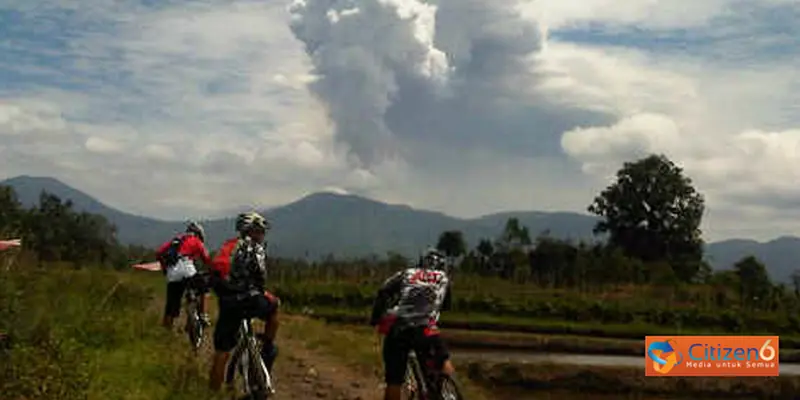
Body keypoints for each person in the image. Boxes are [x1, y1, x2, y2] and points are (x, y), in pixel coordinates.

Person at [208, 211, 280, 393]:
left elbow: (215, 275)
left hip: (228, 303)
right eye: (260, 231)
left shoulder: (227, 246)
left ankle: (212, 393)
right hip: (250, 300)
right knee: (274, 307)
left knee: (222, 351)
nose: (262, 235)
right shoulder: (255, 248)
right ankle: (268, 347)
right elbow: (261, 278)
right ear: (252, 231)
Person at [369, 247, 455, 400]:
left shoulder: (407, 274)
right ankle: (447, 387)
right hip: (427, 330)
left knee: (394, 380)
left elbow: (383, 291)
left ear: (421, 263)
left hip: (400, 329)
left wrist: (375, 319)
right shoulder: (444, 278)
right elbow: (446, 306)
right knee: (442, 362)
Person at [155, 221, 212, 328]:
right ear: (199, 234)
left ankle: (166, 332)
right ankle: (204, 315)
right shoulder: (196, 241)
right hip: (186, 268)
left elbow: (159, 253)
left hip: (172, 273)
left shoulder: (176, 240)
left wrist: (165, 269)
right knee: (204, 289)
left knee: (171, 307)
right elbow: (207, 259)